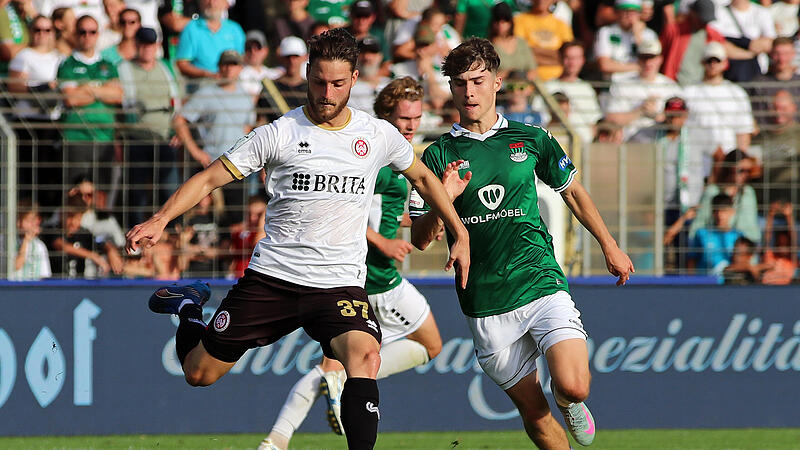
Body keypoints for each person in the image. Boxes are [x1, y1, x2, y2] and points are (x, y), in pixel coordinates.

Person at [126, 28, 470, 450]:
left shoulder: (377, 135)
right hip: (273, 279)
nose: (327, 93)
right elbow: (211, 177)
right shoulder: (279, 133)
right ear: (307, 73)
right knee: (199, 374)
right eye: (319, 81)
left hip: (339, 284)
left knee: (365, 357)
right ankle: (187, 308)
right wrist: (161, 220)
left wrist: (459, 231)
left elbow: (423, 177)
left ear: (355, 79)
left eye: (338, 84)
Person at [408, 37, 634, 449]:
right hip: (485, 303)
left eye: (478, 80)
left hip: (539, 279)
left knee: (575, 385)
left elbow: (572, 191)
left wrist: (609, 246)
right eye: (460, 83)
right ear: (452, 89)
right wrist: (446, 197)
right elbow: (420, 240)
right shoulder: (436, 156)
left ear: (497, 82)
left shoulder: (530, 138)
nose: (469, 91)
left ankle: (569, 401)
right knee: (533, 412)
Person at [259, 77, 445, 450]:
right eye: (403, 117)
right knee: (430, 344)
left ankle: (275, 441)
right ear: (384, 116)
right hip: (373, 279)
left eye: (416, 117)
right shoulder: (372, 154)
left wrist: (420, 222)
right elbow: (348, 212)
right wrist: (384, 241)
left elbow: (383, 213)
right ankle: (346, 382)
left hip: (348, 281)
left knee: (331, 365)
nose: (410, 125)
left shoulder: (395, 157)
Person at [117, 26, 182, 225]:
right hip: (136, 138)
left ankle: (173, 233)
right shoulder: (123, 68)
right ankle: (134, 234)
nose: (147, 49)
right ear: (136, 45)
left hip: (164, 138)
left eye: (151, 44)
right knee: (136, 192)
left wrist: (177, 131)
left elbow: (177, 102)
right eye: (143, 44)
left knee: (171, 189)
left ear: (157, 46)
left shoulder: (165, 68)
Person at [57, 14, 123, 195]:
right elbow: (71, 99)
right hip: (76, 136)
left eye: (92, 32)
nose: (87, 36)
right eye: (82, 32)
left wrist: (88, 89)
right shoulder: (67, 64)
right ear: (76, 34)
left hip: (105, 136)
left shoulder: (108, 65)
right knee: (75, 194)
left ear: (98, 34)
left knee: (102, 194)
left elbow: (117, 95)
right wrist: (102, 89)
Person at [682, 41, 755, 181]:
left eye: (717, 60)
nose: (713, 64)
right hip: (697, 163)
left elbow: (743, 133)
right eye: (709, 60)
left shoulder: (736, 93)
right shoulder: (689, 92)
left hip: (728, 165)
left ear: (725, 63)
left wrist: (737, 166)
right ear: (702, 63)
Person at [603, 39, 681, 141]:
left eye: (652, 57)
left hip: (662, 145)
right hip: (630, 145)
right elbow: (611, 119)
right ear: (638, 59)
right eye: (644, 58)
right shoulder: (622, 85)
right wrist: (640, 111)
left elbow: (681, 121)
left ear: (660, 59)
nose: (648, 62)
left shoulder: (671, 87)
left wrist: (658, 116)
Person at [689, 149, 760, 244]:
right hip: (716, 246)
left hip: (743, 248)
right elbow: (699, 223)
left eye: (748, 171)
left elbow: (752, 229)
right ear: (729, 169)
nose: (745, 175)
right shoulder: (712, 191)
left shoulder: (748, 192)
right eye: (741, 170)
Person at [659, 0, 725, 85]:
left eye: (706, 20)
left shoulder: (713, 35)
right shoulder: (674, 31)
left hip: (701, 88)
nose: (704, 23)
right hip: (674, 85)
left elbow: (723, 55)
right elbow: (660, 54)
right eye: (702, 19)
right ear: (692, 13)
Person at [174, 0, 244, 80]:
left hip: (231, 83)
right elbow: (182, 64)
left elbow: (242, 59)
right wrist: (207, 74)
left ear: (226, 4)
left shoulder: (235, 29)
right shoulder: (191, 28)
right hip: (202, 84)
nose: (212, 3)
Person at [594, 0, 659, 79]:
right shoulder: (606, 32)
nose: (629, 15)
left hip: (640, 83)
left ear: (639, 14)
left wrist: (638, 38)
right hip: (613, 84)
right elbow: (605, 65)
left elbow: (652, 63)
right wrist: (639, 67)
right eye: (625, 11)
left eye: (634, 12)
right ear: (617, 12)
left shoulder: (649, 34)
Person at [513, 0, 572, 81]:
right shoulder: (519, 20)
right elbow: (520, 52)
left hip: (559, 79)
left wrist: (533, 52)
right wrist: (554, 55)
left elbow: (568, 54)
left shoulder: (561, 24)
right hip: (531, 80)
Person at [690, 193, 742, 276]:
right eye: (715, 211)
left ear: (732, 212)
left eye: (724, 211)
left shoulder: (739, 236)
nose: (719, 215)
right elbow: (691, 261)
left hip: (730, 285)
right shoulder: (701, 233)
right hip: (704, 284)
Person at [489, 2, 536, 82]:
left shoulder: (521, 43)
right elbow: (488, 77)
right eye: (497, 21)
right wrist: (509, 74)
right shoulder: (488, 47)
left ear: (510, 22)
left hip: (525, 86)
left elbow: (533, 71)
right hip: (501, 89)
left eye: (504, 21)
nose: (500, 25)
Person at [12, 201, 52, 281]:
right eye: (19, 220)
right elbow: (16, 266)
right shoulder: (9, 242)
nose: (19, 224)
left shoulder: (39, 246)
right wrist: (25, 242)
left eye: (29, 221)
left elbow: (44, 276)